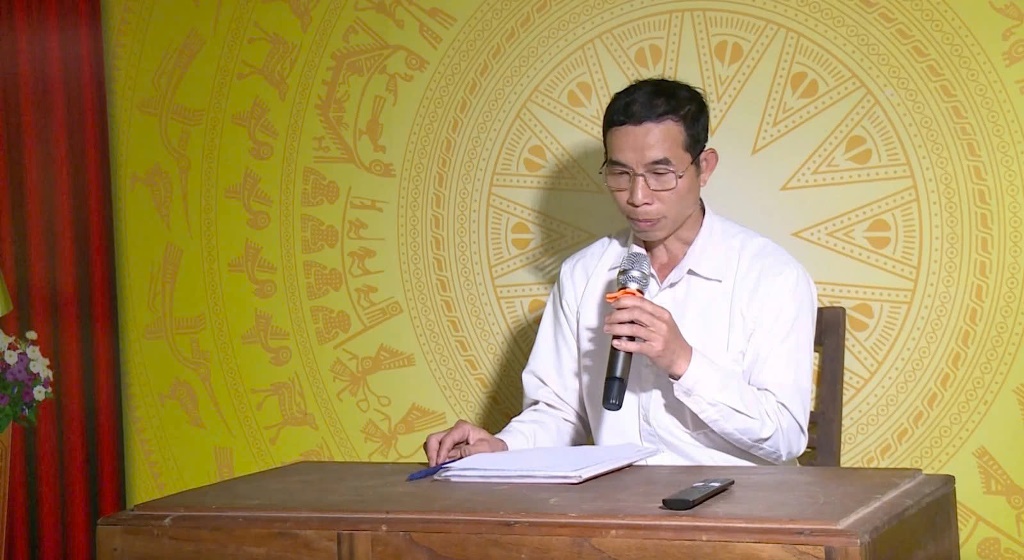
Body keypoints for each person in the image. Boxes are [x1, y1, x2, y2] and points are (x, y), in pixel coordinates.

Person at [423, 78, 818, 467]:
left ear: (705, 167)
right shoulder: (582, 275)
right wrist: (502, 447)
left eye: (660, 174)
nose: (637, 197)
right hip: (617, 501)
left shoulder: (772, 277)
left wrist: (683, 361)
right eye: (620, 174)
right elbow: (560, 414)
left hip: (738, 501)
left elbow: (785, 438)